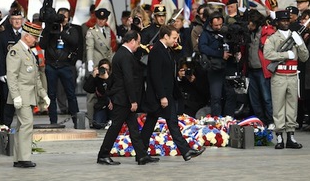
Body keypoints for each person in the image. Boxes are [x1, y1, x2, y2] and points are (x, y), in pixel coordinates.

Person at [141, 25, 206, 162]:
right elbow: (156, 76)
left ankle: (186, 151)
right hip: (160, 96)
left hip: (166, 94)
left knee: (171, 123)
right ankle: (141, 153)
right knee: (151, 125)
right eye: (174, 38)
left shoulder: (166, 50)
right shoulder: (157, 51)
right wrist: (162, 96)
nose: (176, 41)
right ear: (165, 37)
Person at [97, 30, 158, 165]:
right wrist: (133, 100)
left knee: (134, 128)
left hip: (124, 98)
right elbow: (128, 79)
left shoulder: (124, 54)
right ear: (132, 41)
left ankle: (141, 155)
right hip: (124, 99)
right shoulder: (124, 56)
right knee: (115, 128)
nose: (139, 45)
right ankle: (103, 154)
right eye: (138, 42)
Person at [6, 21, 50, 168]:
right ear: (26, 36)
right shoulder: (16, 51)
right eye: (34, 37)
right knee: (27, 124)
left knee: (21, 126)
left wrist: (43, 94)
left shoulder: (29, 52)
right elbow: (11, 76)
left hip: (29, 94)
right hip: (21, 94)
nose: (36, 40)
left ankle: (19, 158)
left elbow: (35, 77)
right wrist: (15, 95)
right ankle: (24, 158)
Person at [264, 10, 309, 149]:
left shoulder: (294, 37)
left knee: (292, 107)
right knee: (278, 107)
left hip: (292, 76)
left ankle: (291, 136)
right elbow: (268, 53)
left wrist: (300, 43)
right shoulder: (273, 38)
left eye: (287, 20)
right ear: (277, 22)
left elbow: (305, 57)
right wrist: (285, 54)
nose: (285, 22)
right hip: (279, 76)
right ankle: (279, 137)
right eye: (282, 20)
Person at [39, 7, 79, 127]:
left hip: (66, 66)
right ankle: (53, 121)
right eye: (59, 16)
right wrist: (48, 30)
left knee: (70, 94)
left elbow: (74, 42)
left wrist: (61, 32)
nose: (61, 19)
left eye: (64, 17)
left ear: (68, 18)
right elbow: (42, 44)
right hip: (51, 65)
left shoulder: (72, 29)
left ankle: (77, 120)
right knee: (51, 94)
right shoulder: (50, 29)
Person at [198, 11, 233, 117]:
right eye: (216, 25)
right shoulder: (205, 34)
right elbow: (202, 47)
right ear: (210, 24)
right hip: (214, 68)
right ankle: (217, 119)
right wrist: (220, 54)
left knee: (230, 95)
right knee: (216, 96)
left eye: (220, 25)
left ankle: (229, 118)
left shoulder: (225, 32)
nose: (219, 27)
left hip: (228, 67)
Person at [85, 8, 116, 127]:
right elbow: (90, 47)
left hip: (108, 64)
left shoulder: (108, 30)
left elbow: (110, 48)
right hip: (97, 64)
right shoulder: (92, 31)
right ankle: (93, 120)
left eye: (103, 19)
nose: (101, 21)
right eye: (99, 19)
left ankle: (110, 116)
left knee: (109, 90)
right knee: (92, 94)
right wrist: (90, 62)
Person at [246, 10, 275, 130]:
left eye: (250, 23)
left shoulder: (265, 32)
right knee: (254, 98)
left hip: (262, 69)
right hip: (251, 69)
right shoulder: (248, 33)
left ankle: (271, 120)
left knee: (266, 96)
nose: (248, 25)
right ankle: (260, 121)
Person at [0, 10, 23, 126]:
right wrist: (1, 73)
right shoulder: (3, 35)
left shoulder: (26, 34)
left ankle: (23, 126)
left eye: (19, 19)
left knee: (23, 100)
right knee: (6, 100)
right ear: (10, 20)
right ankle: (4, 126)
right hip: (7, 73)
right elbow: (0, 55)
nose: (17, 21)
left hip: (23, 74)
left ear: (22, 20)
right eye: (14, 19)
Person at [83, 58, 113, 129]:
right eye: (103, 69)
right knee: (97, 124)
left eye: (107, 69)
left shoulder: (113, 77)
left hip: (113, 104)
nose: (104, 71)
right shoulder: (97, 79)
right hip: (102, 105)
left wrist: (107, 79)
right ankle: (106, 122)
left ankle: (110, 120)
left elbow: (114, 90)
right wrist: (93, 76)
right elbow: (87, 88)